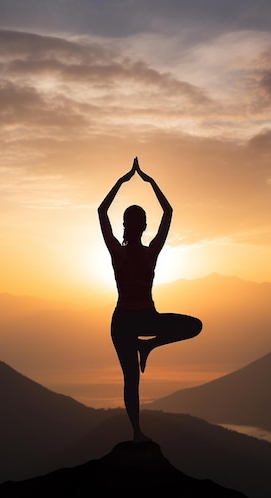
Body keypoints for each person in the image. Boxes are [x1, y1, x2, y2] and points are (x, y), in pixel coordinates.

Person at [98, 157, 202, 442]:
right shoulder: (146, 252)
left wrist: (123, 182)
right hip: (136, 320)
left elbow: (101, 211)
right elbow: (167, 212)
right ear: (142, 226)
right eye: (138, 221)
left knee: (132, 381)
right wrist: (148, 181)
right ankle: (136, 433)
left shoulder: (125, 252)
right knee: (193, 327)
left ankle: (149, 348)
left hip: (128, 322)